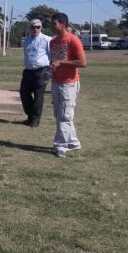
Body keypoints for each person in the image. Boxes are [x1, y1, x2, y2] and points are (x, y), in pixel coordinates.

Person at [49, 13, 87, 158]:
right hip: (56, 82)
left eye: (54, 23)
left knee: (65, 115)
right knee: (59, 114)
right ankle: (73, 141)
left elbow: (82, 63)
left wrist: (62, 63)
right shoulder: (53, 42)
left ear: (63, 24)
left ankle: (60, 145)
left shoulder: (73, 40)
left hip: (69, 84)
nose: (52, 26)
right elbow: (54, 61)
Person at [20, 19, 51, 127]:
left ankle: (35, 119)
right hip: (28, 71)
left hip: (42, 70)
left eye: (38, 27)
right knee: (24, 93)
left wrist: (49, 71)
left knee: (38, 94)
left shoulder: (47, 40)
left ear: (41, 27)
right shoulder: (26, 40)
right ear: (30, 28)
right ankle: (30, 116)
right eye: (33, 27)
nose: (35, 29)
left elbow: (51, 56)